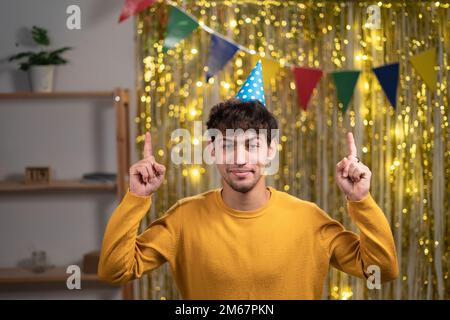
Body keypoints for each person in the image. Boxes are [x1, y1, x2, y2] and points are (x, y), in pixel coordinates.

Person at [98, 99, 398, 299]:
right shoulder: (183, 218)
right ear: (212, 151)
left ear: (270, 151)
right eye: (228, 146)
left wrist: (362, 201)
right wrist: (136, 198)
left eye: (252, 145)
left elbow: (382, 270)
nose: (240, 159)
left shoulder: (309, 219)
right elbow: (114, 270)